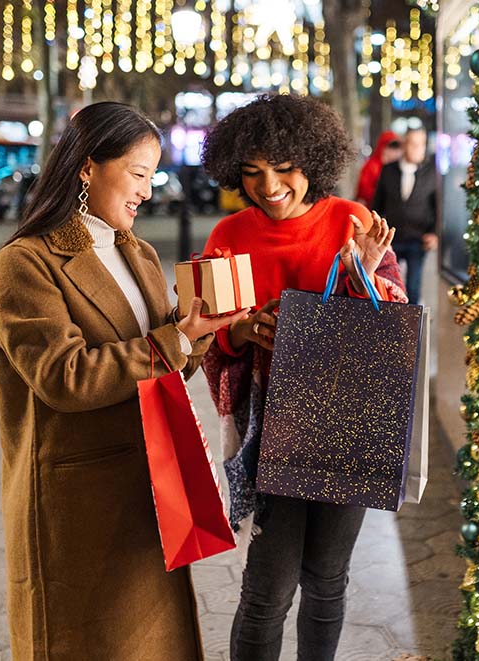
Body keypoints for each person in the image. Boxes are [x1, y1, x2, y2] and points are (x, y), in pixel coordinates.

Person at [0, 102, 247, 659]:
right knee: (87, 642)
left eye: (151, 176)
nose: (147, 192)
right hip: (79, 499)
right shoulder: (26, 263)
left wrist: (205, 328)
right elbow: (64, 377)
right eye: (137, 174)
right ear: (86, 167)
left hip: (152, 487)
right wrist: (176, 340)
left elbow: (170, 363)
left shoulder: (139, 252)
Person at [198, 93, 408, 661]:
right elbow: (210, 336)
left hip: (349, 420)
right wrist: (240, 333)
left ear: (312, 161)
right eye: (253, 172)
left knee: (326, 579)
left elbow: (389, 323)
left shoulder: (353, 220)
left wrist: (363, 274)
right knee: (266, 590)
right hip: (271, 431)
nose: (270, 186)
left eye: (284, 168)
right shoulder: (228, 236)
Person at [370, 126, 438, 304]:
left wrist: (434, 233)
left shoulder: (431, 172)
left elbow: (437, 206)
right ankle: (390, 325)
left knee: (413, 288)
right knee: (388, 285)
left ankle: (411, 329)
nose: (417, 148)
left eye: (421, 144)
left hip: (418, 238)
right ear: (404, 145)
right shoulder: (388, 170)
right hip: (391, 238)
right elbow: (377, 203)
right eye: (413, 144)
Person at [354, 130, 401, 208]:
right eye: (391, 147)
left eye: (396, 148)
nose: (395, 151)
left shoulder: (397, 167)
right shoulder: (372, 166)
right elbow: (363, 191)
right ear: (382, 147)